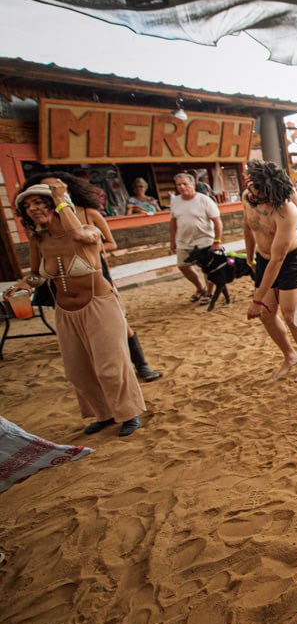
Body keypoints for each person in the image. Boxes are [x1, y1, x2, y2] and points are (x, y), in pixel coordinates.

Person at [7, 181, 145, 436]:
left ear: (56, 206)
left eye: (39, 203)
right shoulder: (39, 239)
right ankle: (104, 413)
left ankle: (129, 412)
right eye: (27, 206)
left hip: (99, 304)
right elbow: (38, 275)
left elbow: (79, 235)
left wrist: (61, 198)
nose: (32, 208)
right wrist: (24, 284)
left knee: (110, 367)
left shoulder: (88, 231)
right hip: (65, 311)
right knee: (77, 370)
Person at [23, 172, 161, 382]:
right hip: (62, 276)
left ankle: (141, 365)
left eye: (56, 187)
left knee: (121, 324)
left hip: (93, 272)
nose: (53, 192)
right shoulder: (43, 224)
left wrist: (87, 250)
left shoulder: (86, 214)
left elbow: (109, 243)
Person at [242, 160, 297, 383]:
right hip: (264, 257)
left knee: (290, 315)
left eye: (261, 195)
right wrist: (249, 256)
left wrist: (256, 299)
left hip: (291, 258)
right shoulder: (248, 197)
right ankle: (289, 356)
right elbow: (248, 226)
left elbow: (278, 258)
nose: (255, 196)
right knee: (267, 314)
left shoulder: (286, 211)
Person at [169, 172, 220, 304]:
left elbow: (217, 222)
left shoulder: (204, 200)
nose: (182, 187)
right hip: (183, 241)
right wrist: (172, 240)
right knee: (182, 265)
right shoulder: (175, 201)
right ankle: (200, 288)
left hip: (204, 240)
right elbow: (173, 222)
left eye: (185, 184)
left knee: (207, 268)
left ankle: (209, 292)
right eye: (179, 184)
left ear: (193, 184)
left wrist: (217, 241)